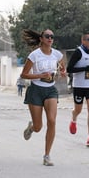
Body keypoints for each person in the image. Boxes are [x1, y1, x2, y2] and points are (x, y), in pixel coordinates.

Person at [21, 29, 66, 166]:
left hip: (50, 90)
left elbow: (62, 68)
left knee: (52, 121)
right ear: (41, 39)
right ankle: (31, 127)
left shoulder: (57, 54)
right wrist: (40, 75)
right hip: (36, 90)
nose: (50, 38)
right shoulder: (34, 55)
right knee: (39, 126)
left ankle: (47, 156)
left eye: (52, 36)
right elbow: (24, 74)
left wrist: (62, 72)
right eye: (47, 36)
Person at [66, 32, 89, 148]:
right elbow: (69, 69)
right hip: (79, 86)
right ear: (83, 41)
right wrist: (84, 69)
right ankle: (74, 118)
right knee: (78, 109)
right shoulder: (78, 52)